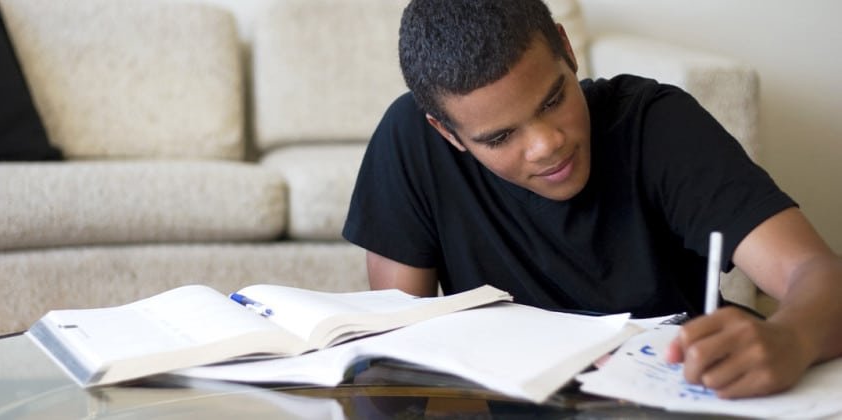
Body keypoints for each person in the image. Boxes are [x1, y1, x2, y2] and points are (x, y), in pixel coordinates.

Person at [342, 0, 842, 399]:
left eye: (554, 99)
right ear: (447, 134)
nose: (546, 145)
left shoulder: (658, 125)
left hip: (675, 399)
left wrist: (791, 339)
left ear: (566, 47)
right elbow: (395, 348)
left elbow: (818, 275)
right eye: (499, 138)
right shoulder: (410, 141)